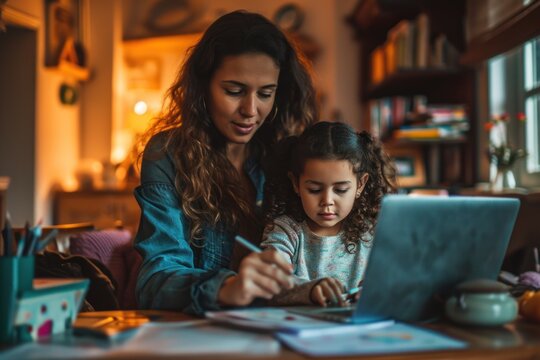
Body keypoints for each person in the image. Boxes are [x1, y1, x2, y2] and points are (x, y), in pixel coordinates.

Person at [133, 10, 318, 315]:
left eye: (265, 93)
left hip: (287, 325)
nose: (250, 110)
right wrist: (226, 288)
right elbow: (154, 281)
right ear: (203, 88)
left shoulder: (285, 155)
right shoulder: (167, 154)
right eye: (234, 91)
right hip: (203, 334)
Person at [260, 121, 397, 307]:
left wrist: (378, 288)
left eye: (340, 190)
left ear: (360, 184)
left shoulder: (370, 232)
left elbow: (395, 277)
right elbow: (269, 281)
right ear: (296, 184)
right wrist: (309, 290)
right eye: (315, 189)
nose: (327, 200)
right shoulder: (285, 231)